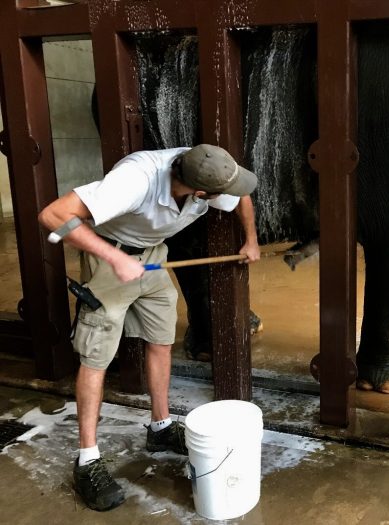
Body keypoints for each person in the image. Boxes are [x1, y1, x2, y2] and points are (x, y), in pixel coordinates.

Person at [38, 144, 260, 511]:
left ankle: (160, 428)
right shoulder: (134, 181)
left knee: (160, 341)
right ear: (198, 193)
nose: (230, 196)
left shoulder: (207, 166)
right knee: (96, 358)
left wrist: (250, 239)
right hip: (108, 257)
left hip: (154, 259)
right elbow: (53, 215)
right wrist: (114, 258)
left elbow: (242, 194)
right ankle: (87, 460)